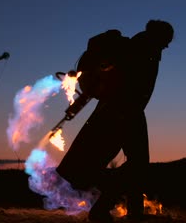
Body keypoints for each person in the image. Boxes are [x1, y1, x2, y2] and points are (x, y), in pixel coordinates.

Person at [56, 19, 174, 222]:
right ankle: (106, 208)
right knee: (135, 164)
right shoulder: (140, 48)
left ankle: (128, 211)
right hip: (123, 112)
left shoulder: (145, 49)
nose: (166, 46)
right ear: (158, 36)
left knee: (137, 164)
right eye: (166, 40)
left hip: (129, 111)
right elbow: (120, 80)